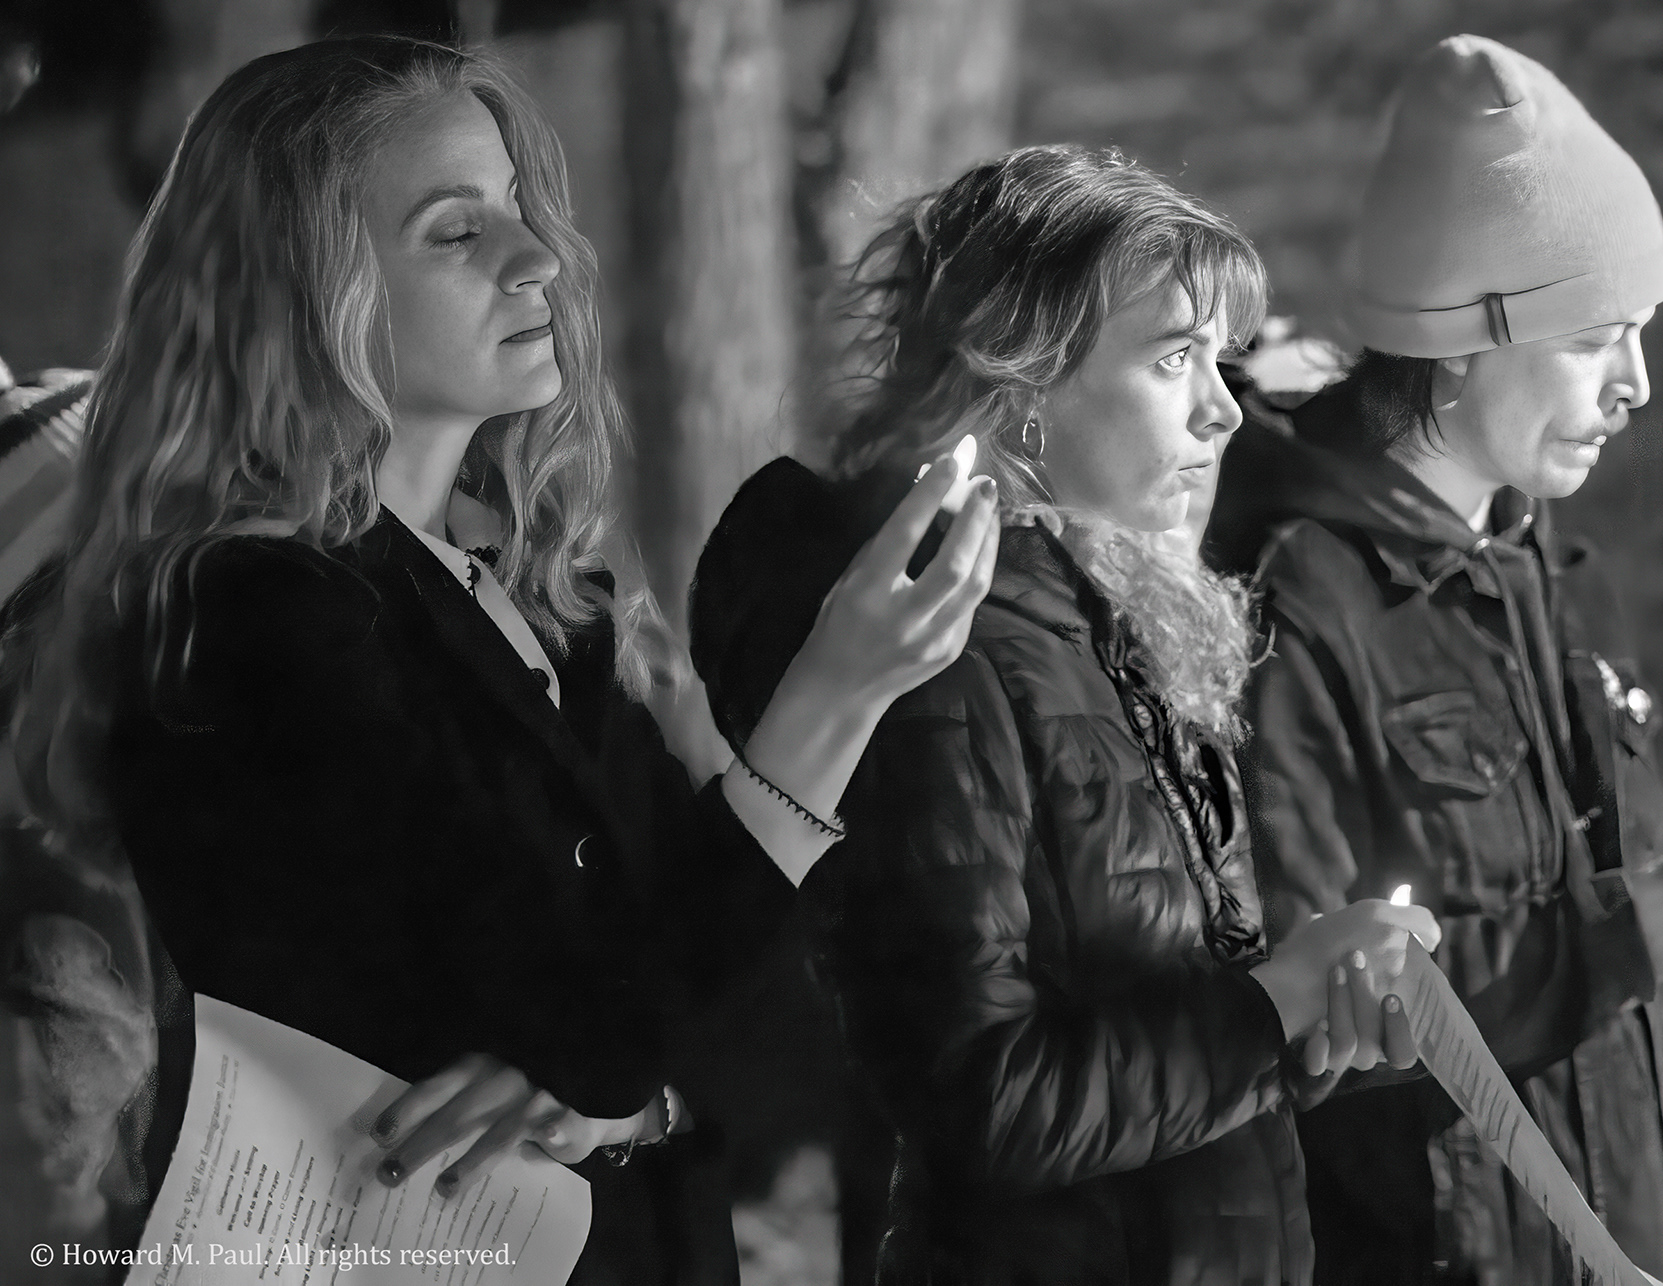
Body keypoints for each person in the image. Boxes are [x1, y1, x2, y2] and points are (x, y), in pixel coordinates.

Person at [0, 36, 998, 1282]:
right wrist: (837, 690)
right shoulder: (247, 614)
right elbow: (606, 1015)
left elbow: (767, 1008)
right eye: (455, 234)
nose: (539, 260)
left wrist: (634, 1105)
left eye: (521, 213)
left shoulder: (548, 596)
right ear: (305, 290)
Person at [691, 144, 1443, 1286]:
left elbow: (1176, 1022)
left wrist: (1317, 1015)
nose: (1224, 411)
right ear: (1023, 385)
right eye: (1173, 359)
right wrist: (1272, 1005)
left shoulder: (1110, 624)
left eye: (1221, 357)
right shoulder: (942, 658)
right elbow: (979, 1097)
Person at [1206, 36, 1663, 1286]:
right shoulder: (1298, 599)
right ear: (1458, 336)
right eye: (1595, 338)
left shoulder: (1541, 559)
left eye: (1643, 332)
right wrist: (1627, 934)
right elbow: (1316, 1020)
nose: (1637, 385)